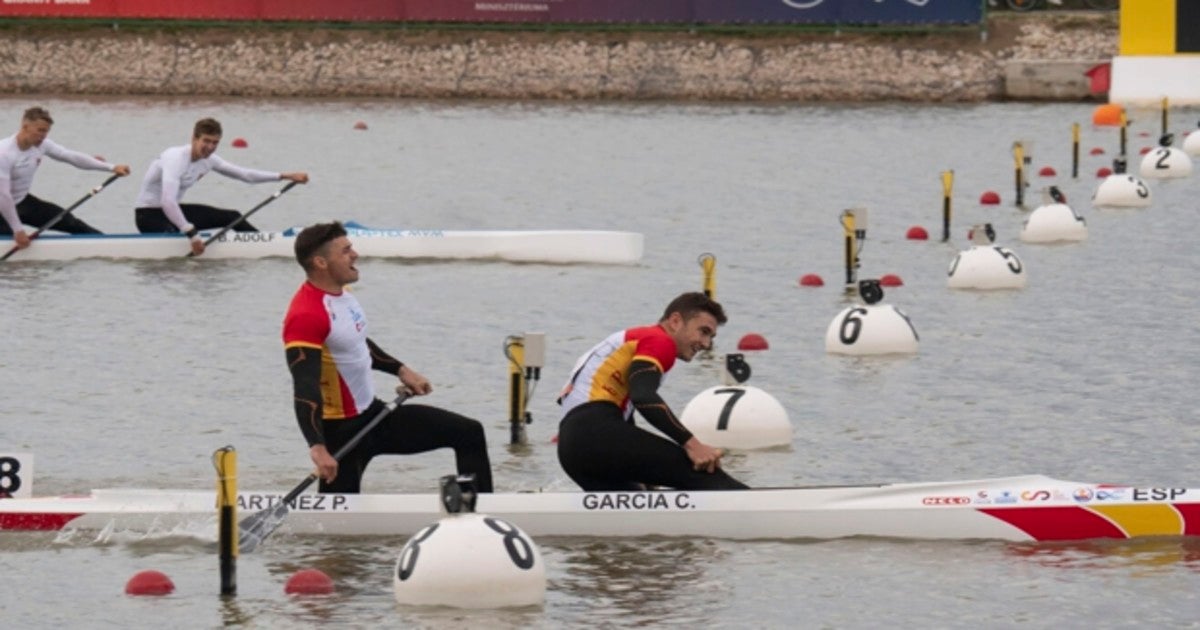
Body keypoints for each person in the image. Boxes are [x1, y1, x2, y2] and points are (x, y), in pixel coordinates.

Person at [282, 221, 494, 494]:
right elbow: (304, 385)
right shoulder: (306, 315)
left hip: (374, 417)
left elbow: (356, 343)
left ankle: (480, 513)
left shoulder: (342, 294)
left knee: (468, 433)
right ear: (321, 262)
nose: (355, 254)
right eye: (345, 250)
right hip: (342, 433)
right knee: (339, 528)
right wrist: (318, 447)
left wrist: (400, 370)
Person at [557, 292, 749, 491]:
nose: (706, 344)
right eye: (703, 331)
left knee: (642, 503)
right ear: (675, 321)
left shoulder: (633, 340)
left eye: (711, 337)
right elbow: (643, 396)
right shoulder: (659, 341)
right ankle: (766, 513)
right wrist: (692, 444)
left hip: (571, 449)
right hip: (594, 434)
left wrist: (645, 472)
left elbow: (620, 411)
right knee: (707, 475)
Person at [134, 117, 308, 256]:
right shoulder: (175, 158)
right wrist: (193, 235)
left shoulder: (209, 160)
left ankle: (267, 246)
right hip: (149, 216)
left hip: (172, 213)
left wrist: (284, 176)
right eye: (206, 141)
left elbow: (244, 175)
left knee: (232, 217)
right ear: (194, 138)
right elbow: (167, 201)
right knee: (181, 240)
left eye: (215, 142)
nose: (210, 147)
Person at [0, 106, 131, 249]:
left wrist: (111, 167)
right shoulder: (4, 153)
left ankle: (111, 248)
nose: (44, 136)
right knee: (9, 240)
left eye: (47, 131)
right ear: (25, 127)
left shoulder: (42, 145)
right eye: (40, 130)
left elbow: (70, 156)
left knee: (70, 222)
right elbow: (3, 196)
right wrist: (18, 231)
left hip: (21, 202)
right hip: (3, 204)